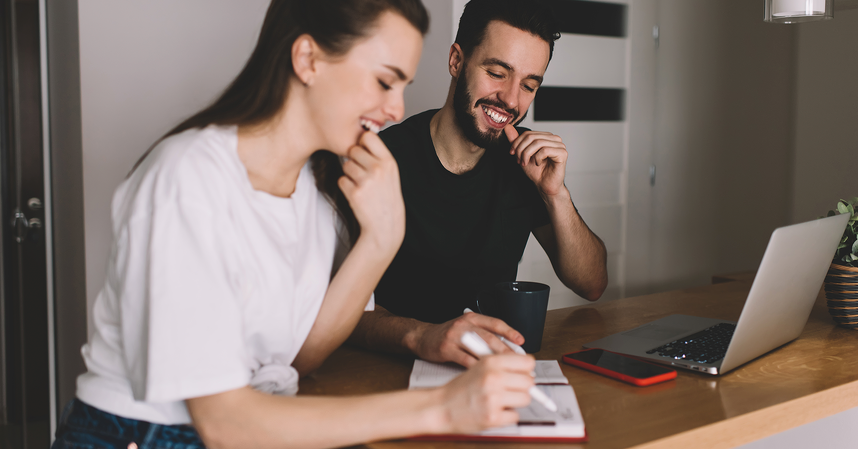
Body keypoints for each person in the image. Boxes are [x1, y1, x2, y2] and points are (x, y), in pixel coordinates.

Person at [52, 1, 537, 448]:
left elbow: (295, 362)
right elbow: (224, 424)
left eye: (403, 87)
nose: (397, 110)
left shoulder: (313, 187)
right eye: (384, 81)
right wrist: (442, 407)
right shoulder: (188, 177)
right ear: (307, 59)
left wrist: (381, 239)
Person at [349, 0, 609, 367]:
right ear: (457, 61)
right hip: (386, 371)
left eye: (529, 85)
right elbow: (336, 312)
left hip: (488, 368)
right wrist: (423, 336)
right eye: (498, 73)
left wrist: (555, 195)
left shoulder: (525, 161)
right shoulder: (381, 159)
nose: (511, 100)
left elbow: (592, 284)